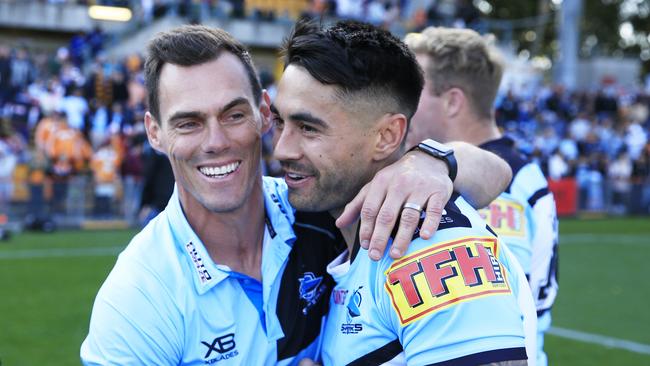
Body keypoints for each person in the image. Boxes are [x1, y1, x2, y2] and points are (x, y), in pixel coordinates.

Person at [81, 25, 512, 365]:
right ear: (154, 132)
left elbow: (498, 171)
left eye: (233, 115)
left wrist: (432, 161)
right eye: (188, 122)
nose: (215, 142)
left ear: (262, 113)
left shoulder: (318, 207)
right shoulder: (139, 296)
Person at [272, 20, 536, 365]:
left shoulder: (427, 245)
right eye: (281, 122)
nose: (281, 149)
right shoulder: (348, 226)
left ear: (386, 136)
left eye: (308, 128)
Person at [405, 27, 558, 366]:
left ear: (453, 101)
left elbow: (493, 316)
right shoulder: (520, 173)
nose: (400, 103)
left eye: (411, 90)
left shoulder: (500, 189)